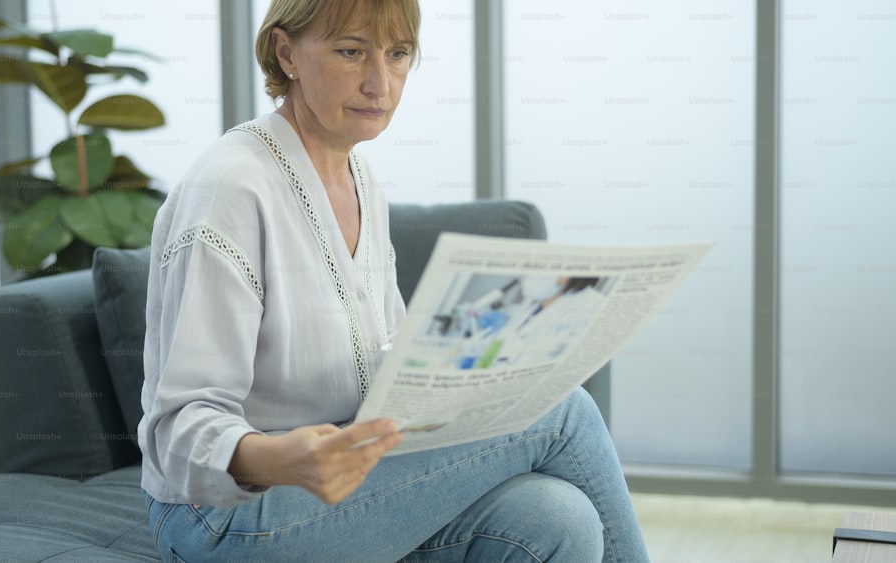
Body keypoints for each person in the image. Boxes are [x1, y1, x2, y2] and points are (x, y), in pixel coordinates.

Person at [138, 0, 650, 560]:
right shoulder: (231, 188)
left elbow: (385, 370)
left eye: (398, 54)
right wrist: (279, 457)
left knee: (558, 517)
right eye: (351, 52)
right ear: (287, 53)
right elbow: (177, 431)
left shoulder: (360, 177)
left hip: (345, 485)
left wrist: (465, 362)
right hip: (221, 519)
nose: (379, 82)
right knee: (560, 409)